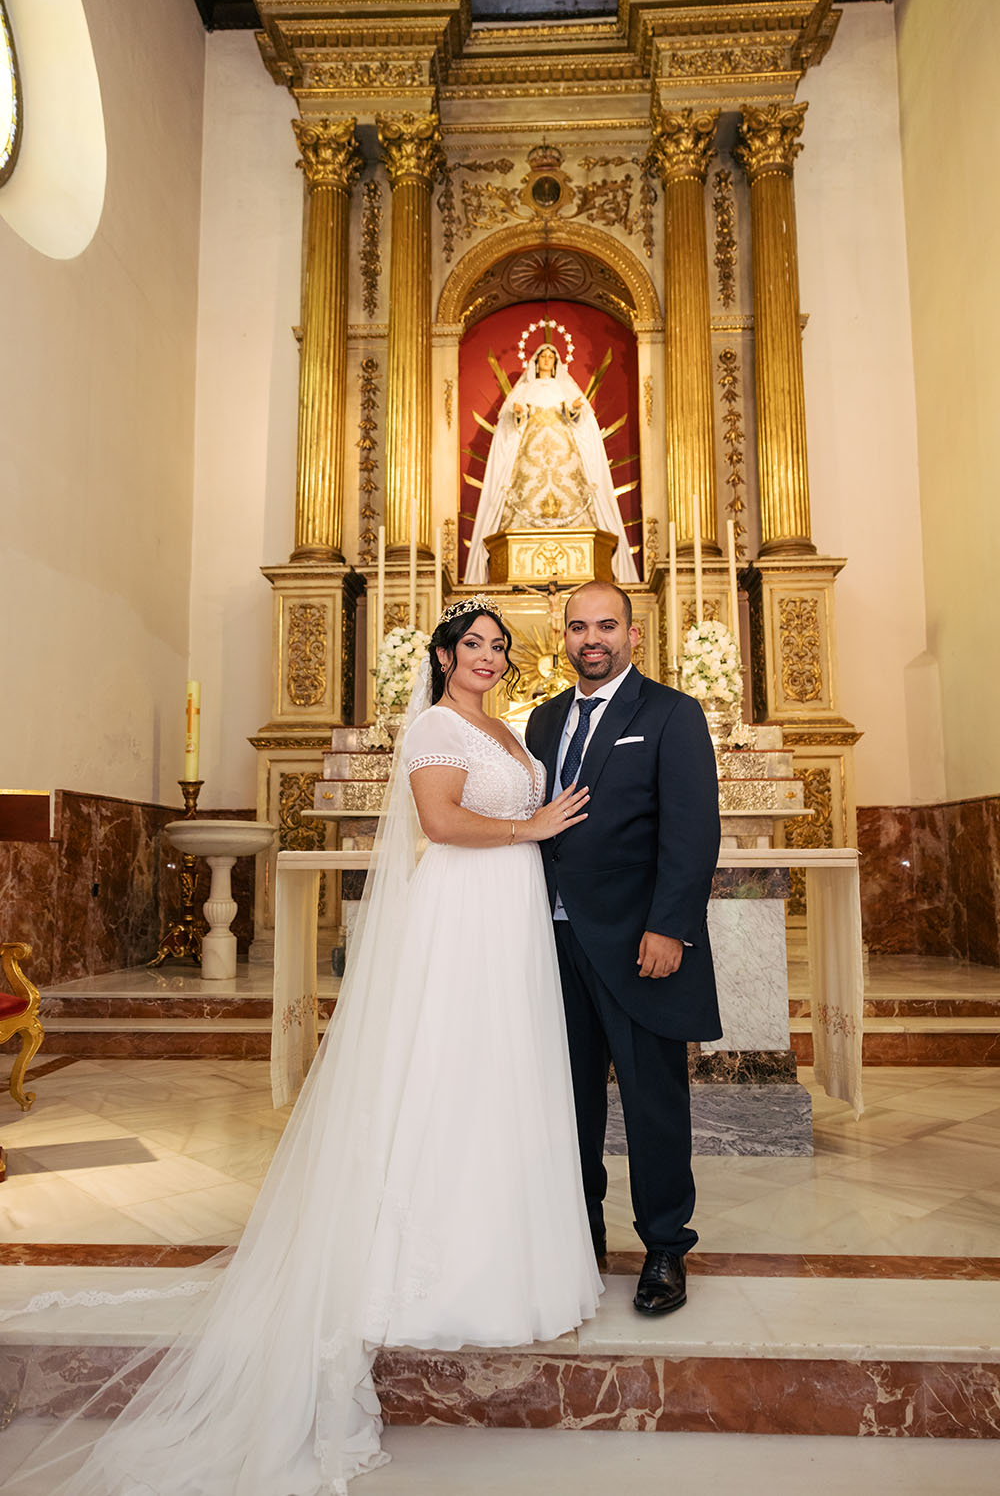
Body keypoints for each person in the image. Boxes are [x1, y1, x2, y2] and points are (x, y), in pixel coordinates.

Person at [4, 596, 602, 1496]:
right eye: (473, 643)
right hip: (463, 913)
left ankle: (517, 1262)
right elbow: (441, 823)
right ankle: (435, 1274)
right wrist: (532, 827)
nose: (488, 655)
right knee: (453, 1075)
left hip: (510, 914)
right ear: (443, 657)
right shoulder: (435, 728)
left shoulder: (509, 732)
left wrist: (537, 829)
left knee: (505, 1079)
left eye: (498, 645)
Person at [525, 580, 721, 1316]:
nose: (592, 639)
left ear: (633, 634)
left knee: (652, 1102)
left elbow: (692, 830)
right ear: (563, 637)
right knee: (568, 1100)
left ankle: (665, 1244)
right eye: (578, 627)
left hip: (640, 942)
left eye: (606, 626)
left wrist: (670, 926)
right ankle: (581, 1235)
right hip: (553, 939)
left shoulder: (671, 713)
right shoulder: (544, 720)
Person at [465, 343, 639, 585]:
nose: (546, 360)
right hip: (530, 454)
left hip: (562, 453)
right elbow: (514, 424)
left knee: (570, 484)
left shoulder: (563, 388)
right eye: (543, 357)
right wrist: (519, 413)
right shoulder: (524, 390)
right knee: (526, 488)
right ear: (536, 362)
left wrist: (573, 410)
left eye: (550, 357)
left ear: (556, 363)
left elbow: (576, 418)